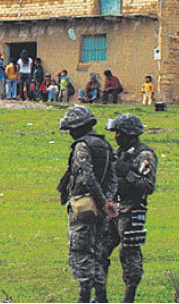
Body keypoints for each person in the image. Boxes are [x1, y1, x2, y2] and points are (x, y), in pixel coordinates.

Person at [58, 106, 118, 303]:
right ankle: (101, 298)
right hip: (101, 209)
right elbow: (112, 178)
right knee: (96, 254)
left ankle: (84, 299)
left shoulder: (82, 146)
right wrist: (106, 201)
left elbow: (87, 176)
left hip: (84, 207)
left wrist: (100, 201)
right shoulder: (105, 146)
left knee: (81, 254)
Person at [101, 114, 157, 303]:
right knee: (100, 251)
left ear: (131, 135)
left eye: (120, 133)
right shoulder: (118, 153)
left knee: (129, 254)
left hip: (132, 211)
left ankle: (128, 298)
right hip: (114, 210)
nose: (116, 136)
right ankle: (100, 297)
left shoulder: (144, 155)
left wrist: (128, 174)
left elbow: (148, 186)